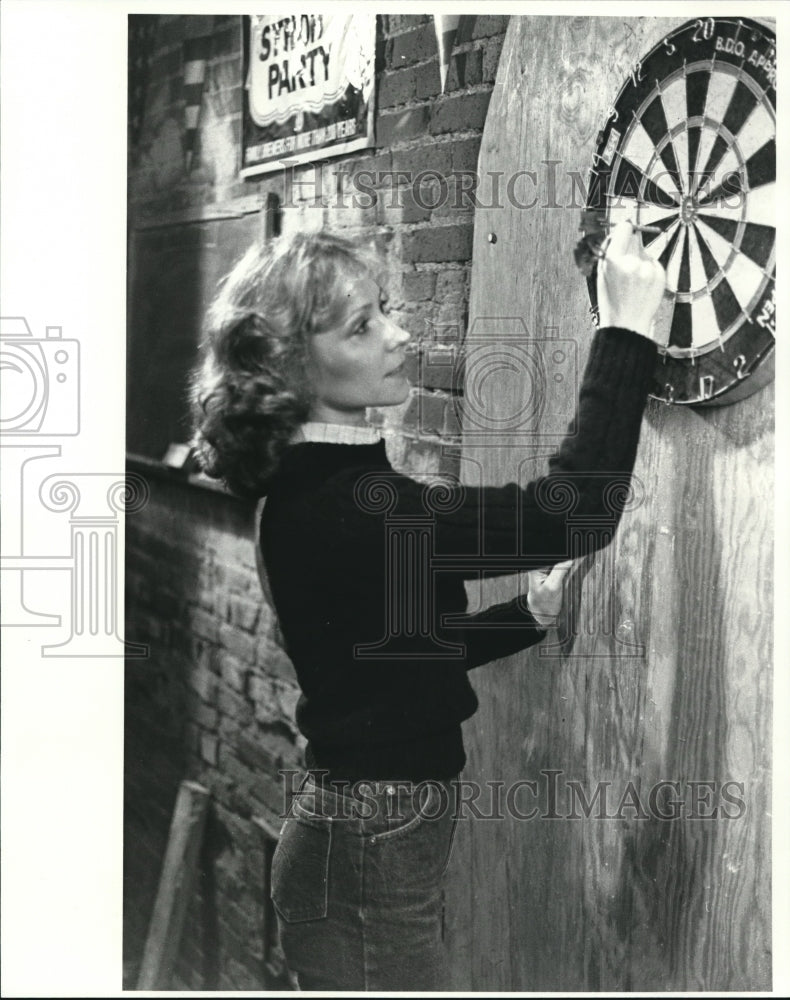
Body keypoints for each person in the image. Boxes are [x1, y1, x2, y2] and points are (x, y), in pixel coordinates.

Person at [190, 221, 666, 991]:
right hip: (370, 837)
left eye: (384, 308)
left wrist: (527, 615)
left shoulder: (316, 487)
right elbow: (574, 512)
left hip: (362, 828)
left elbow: (401, 657)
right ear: (292, 369)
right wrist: (627, 330)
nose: (400, 334)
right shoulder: (355, 506)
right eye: (362, 326)